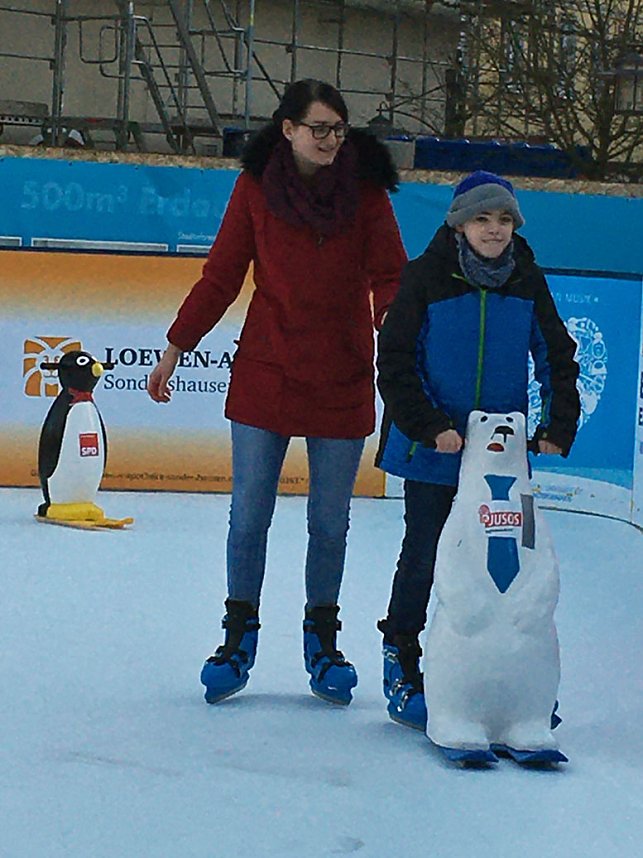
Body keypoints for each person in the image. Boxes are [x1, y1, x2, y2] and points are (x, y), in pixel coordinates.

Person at [147, 79, 406, 706]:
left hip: (342, 376)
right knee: (248, 514)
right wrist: (177, 345)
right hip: (268, 370)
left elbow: (391, 278)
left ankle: (323, 640)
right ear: (287, 129)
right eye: (318, 128)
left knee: (330, 523)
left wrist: (401, 351)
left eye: (339, 130)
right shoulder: (256, 188)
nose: (330, 140)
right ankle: (238, 637)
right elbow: (222, 275)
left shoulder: (367, 195)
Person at [375, 170, 580, 730]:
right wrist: (431, 426)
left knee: (506, 563)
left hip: (501, 458)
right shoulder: (424, 278)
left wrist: (557, 424)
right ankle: (403, 657)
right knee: (425, 554)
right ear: (459, 223)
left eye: (505, 219)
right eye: (482, 218)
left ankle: (510, 677)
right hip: (435, 451)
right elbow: (394, 362)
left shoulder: (526, 280)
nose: (495, 230)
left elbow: (558, 356)